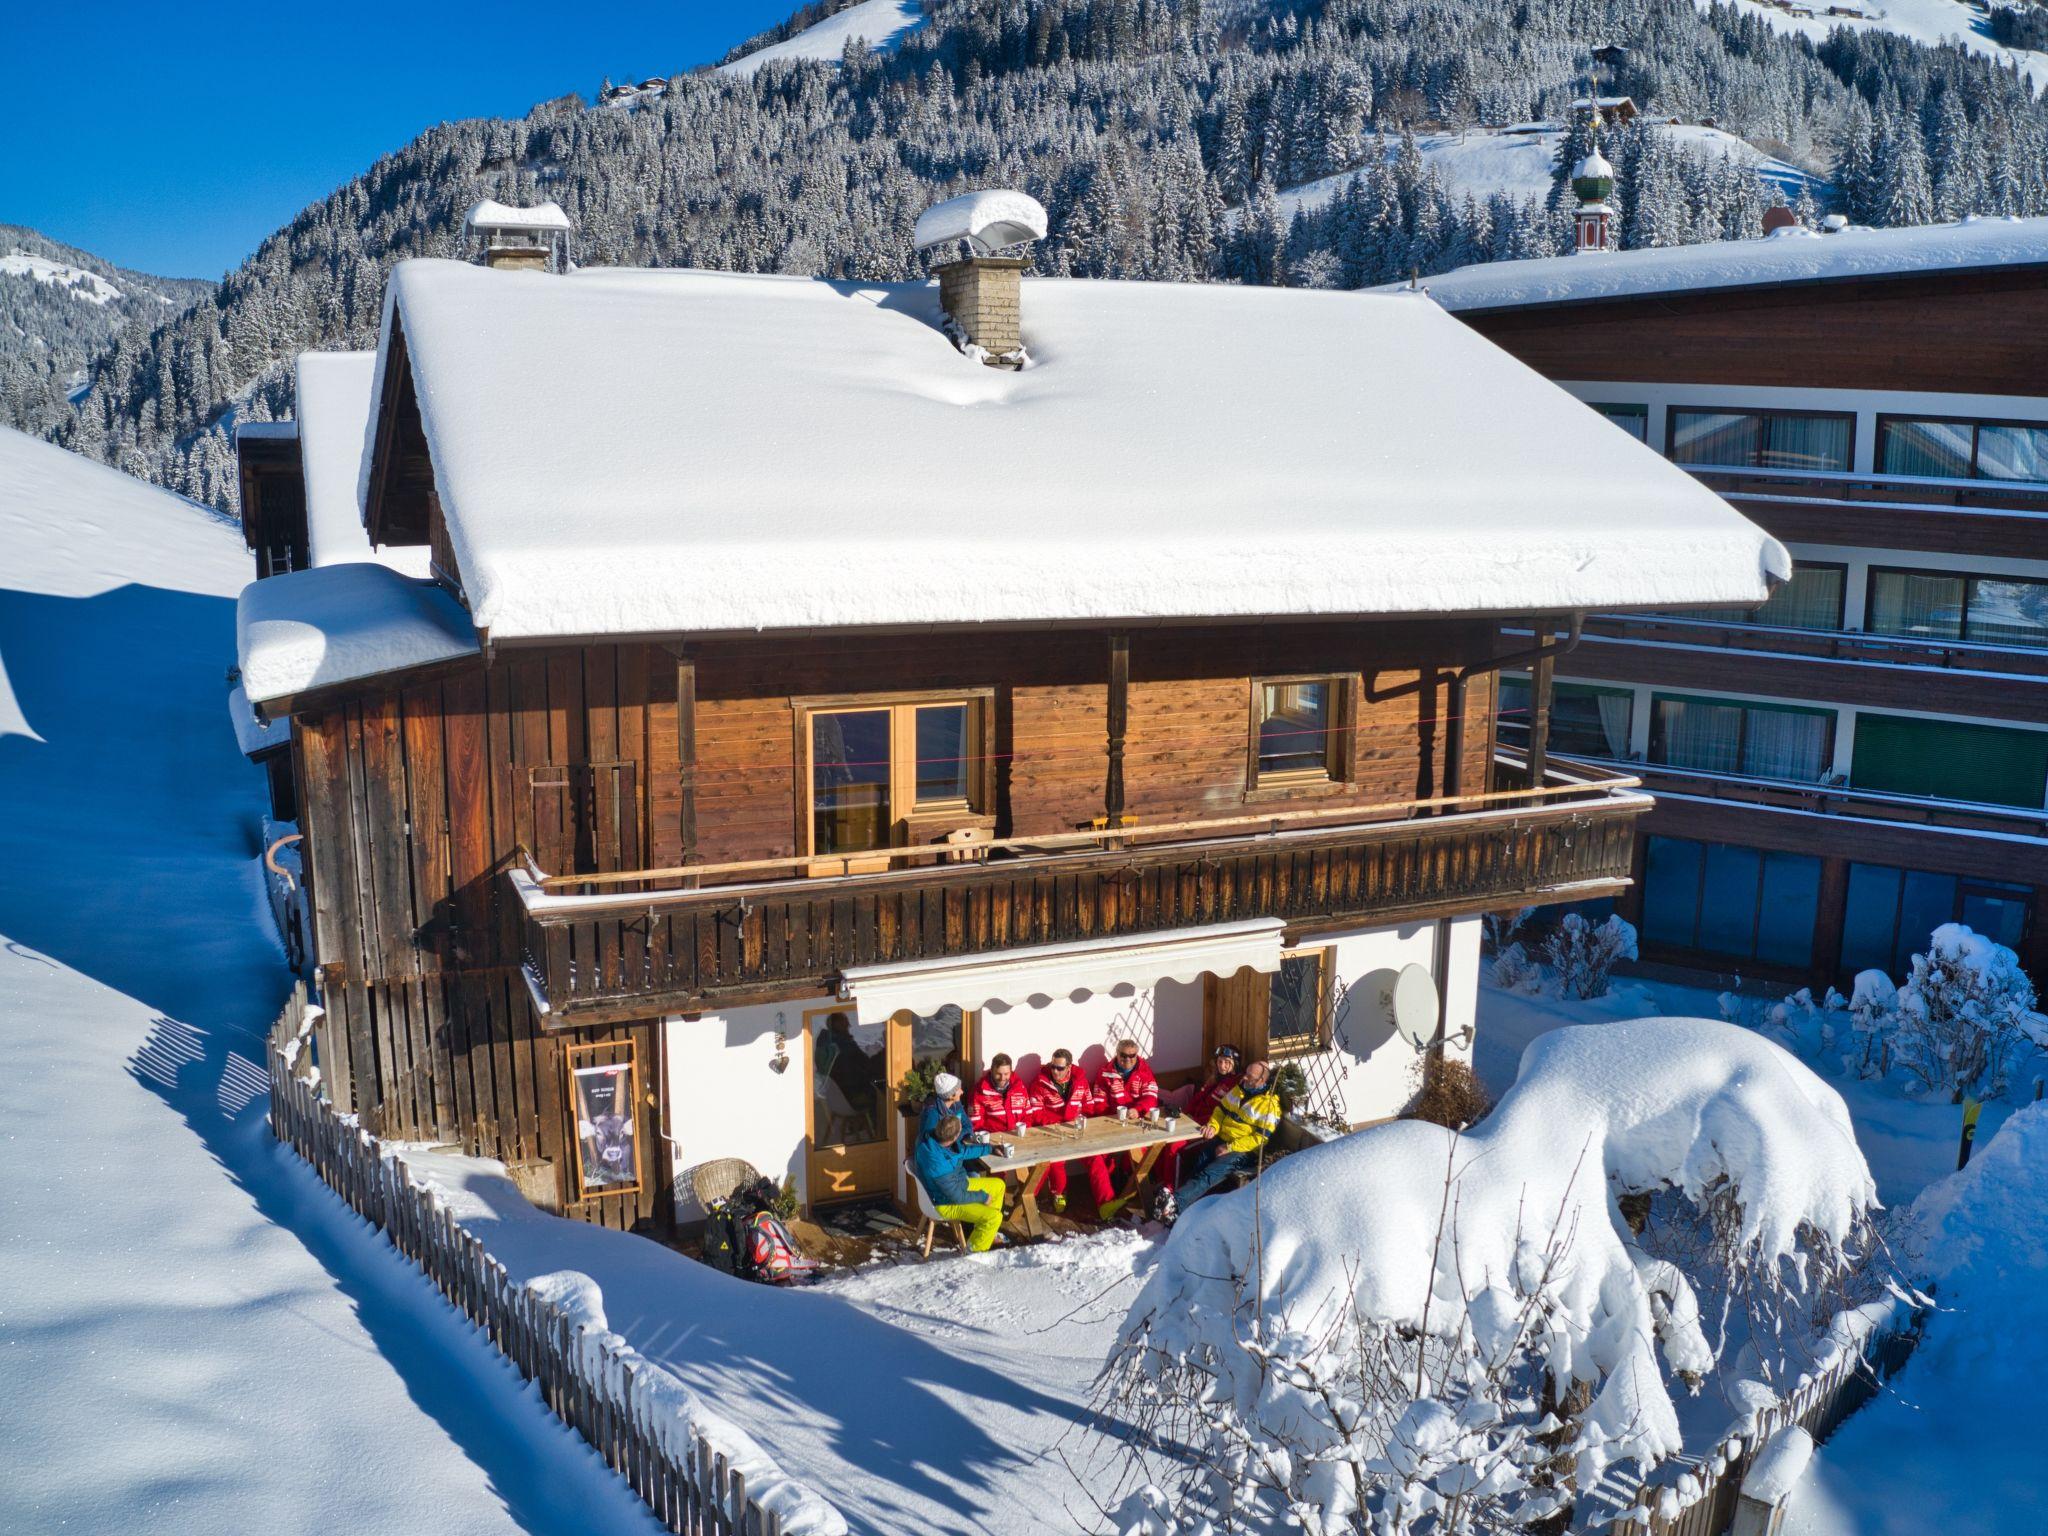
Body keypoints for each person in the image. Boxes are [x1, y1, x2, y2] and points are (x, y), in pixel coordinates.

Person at [1155, 1058, 1282, 1223]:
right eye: (1245, 1074)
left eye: (1249, 1077)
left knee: (1210, 1173)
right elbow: (1220, 1110)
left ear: (1261, 1081)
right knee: (1201, 1159)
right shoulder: (1239, 1090)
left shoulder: (1270, 1106)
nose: (1244, 1078)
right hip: (1222, 1138)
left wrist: (1230, 1147)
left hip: (1244, 1150)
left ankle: (1175, 1204)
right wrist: (1213, 1127)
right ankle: (1186, 1206)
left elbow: (1259, 1139)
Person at [1028, 1048, 1115, 1216]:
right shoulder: (1039, 1083)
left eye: (1060, 1068)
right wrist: (1059, 1123)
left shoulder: (1080, 1081)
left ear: (1069, 1067)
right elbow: (1036, 1113)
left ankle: (1106, 1204)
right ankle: (1059, 1193)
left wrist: (1080, 1118)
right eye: (1053, 1066)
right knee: (1056, 1161)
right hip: (1053, 1132)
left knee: (1095, 1158)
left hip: (1076, 1131)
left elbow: (1089, 1106)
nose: (1055, 1071)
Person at [912, 1114, 1010, 1253]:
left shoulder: (931, 1138)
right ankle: (974, 1252)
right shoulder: (939, 1166)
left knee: (998, 1185)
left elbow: (961, 1152)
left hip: (957, 1184)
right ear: (954, 1137)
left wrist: (990, 1149)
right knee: (994, 1217)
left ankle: (986, 1234)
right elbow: (957, 1197)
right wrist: (982, 1197)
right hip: (944, 1202)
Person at [1095, 1040, 1161, 1219]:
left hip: (1136, 1122)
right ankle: (1113, 1198)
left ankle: (1131, 1194)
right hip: (1112, 1122)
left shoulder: (1144, 1072)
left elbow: (1151, 1097)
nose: (1128, 1059)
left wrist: (1137, 1110)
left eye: (1132, 1055)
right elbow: (1099, 1101)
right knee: (1102, 1156)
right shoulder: (1105, 1072)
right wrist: (1111, 1117)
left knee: (1140, 1154)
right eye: (1123, 1055)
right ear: (1116, 1053)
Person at [970, 1054, 1034, 1135]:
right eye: (998, 1074)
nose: (1002, 1078)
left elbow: (1028, 1115)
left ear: (1011, 1071)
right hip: (993, 1139)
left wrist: (1023, 1131)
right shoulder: (980, 1091)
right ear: (992, 1071)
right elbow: (976, 1123)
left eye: (1006, 1074)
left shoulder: (1019, 1088)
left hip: (1018, 1136)